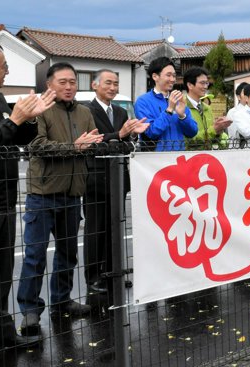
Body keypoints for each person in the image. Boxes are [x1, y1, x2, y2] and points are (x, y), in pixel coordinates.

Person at [0, 39, 54, 367]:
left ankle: (2, 337)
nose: (7, 71)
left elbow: (16, 137)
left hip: (4, 198)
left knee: (0, 277)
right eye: (3, 66)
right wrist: (13, 121)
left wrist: (30, 119)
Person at [17, 62, 104, 336]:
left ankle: (62, 302)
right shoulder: (39, 109)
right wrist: (74, 147)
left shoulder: (84, 112)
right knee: (35, 255)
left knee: (68, 254)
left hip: (71, 194)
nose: (69, 86)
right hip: (42, 195)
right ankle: (30, 311)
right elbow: (37, 146)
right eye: (63, 82)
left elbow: (92, 144)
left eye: (73, 82)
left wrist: (86, 148)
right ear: (50, 85)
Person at [83, 69, 148, 296]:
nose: (112, 87)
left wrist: (130, 136)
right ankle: (93, 277)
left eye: (116, 83)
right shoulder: (86, 111)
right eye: (108, 83)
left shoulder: (120, 111)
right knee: (95, 230)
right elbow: (93, 143)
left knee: (115, 227)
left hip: (119, 176)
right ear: (95, 85)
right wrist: (119, 136)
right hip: (95, 178)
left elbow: (127, 144)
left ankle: (113, 272)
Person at [134, 57, 197, 151]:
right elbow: (151, 132)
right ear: (155, 76)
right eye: (168, 75)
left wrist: (182, 116)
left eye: (174, 76)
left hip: (178, 158)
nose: (172, 79)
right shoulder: (143, 101)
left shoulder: (178, 100)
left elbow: (192, 132)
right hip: (155, 160)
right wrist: (169, 110)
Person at [182, 67, 231, 150]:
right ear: (190, 85)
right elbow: (186, 141)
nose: (205, 87)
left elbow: (212, 137)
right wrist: (213, 130)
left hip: (208, 157)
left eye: (207, 83)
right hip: (190, 158)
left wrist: (219, 132)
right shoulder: (181, 108)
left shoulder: (207, 108)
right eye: (202, 83)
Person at [226, 81, 248, 145]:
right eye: (245, 93)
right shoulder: (232, 112)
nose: (248, 95)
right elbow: (234, 134)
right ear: (238, 97)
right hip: (237, 148)